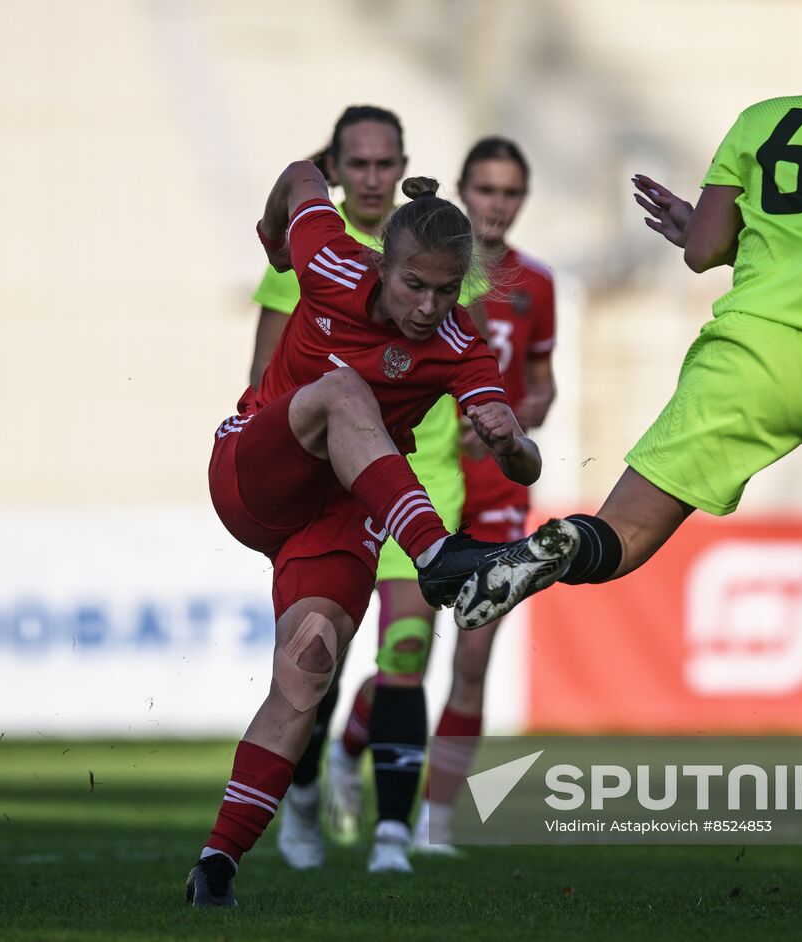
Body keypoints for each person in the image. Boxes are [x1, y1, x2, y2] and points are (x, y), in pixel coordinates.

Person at [457, 5, 802, 874]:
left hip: (752, 350)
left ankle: (561, 545)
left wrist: (706, 230)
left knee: (626, 536)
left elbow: (706, 248)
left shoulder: (762, 121)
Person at [186, 161, 575, 907]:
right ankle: (437, 554)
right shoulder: (330, 257)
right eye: (414, 287)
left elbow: (523, 464)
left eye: (445, 289)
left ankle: (217, 862)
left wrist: (512, 441)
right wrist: (273, 236)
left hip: (342, 514)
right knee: (340, 390)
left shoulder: (462, 344)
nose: (430, 307)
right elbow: (302, 178)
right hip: (255, 472)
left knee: (307, 670)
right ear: (382, 264)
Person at [246, 106, 471, 874]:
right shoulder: (319, 260)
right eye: (359, 164)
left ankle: (392, 837)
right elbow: (267, 386)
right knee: (320, 664)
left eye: (386, 163)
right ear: (337, 170)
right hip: (329, 489)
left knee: (406, 651)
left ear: (403, 163)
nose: (373, 177)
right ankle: (305, 791)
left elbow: (484, 371)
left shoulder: (437, 251)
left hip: (421, 482)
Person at [332, 137, 558, 859]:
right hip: (428, 476)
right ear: (462, 192)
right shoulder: (428, 270)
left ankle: (434, 822)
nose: (498, 204)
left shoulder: (536, 283)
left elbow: (543, 378)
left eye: (511, 192)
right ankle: (353, 743)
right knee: (409, 651)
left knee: (473, 661)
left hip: (497, 486)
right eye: (486, 190)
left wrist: (515, 419)